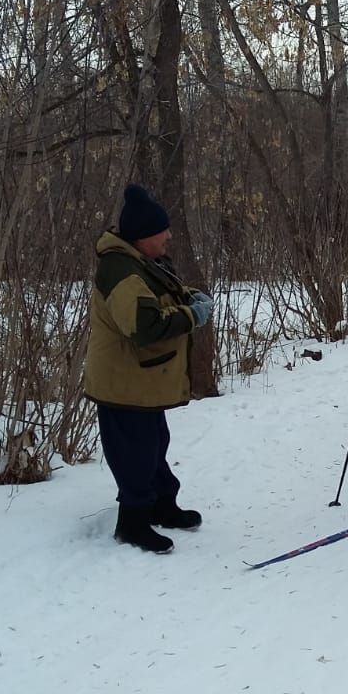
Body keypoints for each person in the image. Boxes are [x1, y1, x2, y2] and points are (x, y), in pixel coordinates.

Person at [84, 184, 214, 554]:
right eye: (163, 231)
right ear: (144, 236)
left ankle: (162, 505)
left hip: (142, 381)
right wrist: (192, 315)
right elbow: (145, 326)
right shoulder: (120, 270)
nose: (169, 236)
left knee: (154, 445)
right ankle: (133, 522)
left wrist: (188, 296)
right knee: (135, 454)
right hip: (123, 385)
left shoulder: (142, 262)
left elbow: (163, 291)